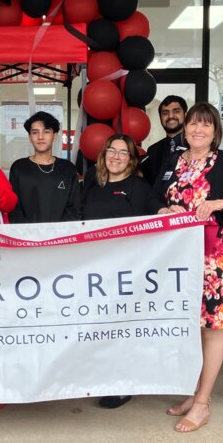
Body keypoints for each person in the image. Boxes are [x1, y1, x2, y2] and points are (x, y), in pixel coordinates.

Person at [161, 102, 223, 433]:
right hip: (178, 255)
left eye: (205, 125)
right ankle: (195, 391)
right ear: (184, 129)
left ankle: (202, 402)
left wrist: (220, 203)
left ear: (215, 131)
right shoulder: (175, 161)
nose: (197, 130)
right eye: (192, 124)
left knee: (212, 326)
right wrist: (164, 207)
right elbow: (162, 197)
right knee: (190, 326)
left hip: (214, 255)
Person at [81, 133, 170, 409]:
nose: (116, 157)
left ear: (131, 160)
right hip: (93, 269)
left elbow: (158, 209)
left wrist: (168, 212)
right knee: (97, 328)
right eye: (112, 150)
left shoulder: (139, 187)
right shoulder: (91, 184)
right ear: (103, 153)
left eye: (123, 153)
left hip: (125, 271)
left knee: (121, 329)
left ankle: (122, 383)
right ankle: (99, 376)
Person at [8, 111, 80, 223]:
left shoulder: (68, 169)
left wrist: (57, 234)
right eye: (35, 132)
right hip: (27, 237)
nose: (40, 137)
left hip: (61, 237)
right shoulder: (19, 168)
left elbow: (74, 209)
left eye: (46, 132)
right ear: (30, 137)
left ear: (55, 136)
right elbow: (14, 209)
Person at [140, 95, 188, 187]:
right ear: (160, 118)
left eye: (176, 111)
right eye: (165, 113)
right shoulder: (153, 151)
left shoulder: (195, 146)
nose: (170, 116)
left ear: (185, 115)